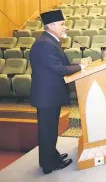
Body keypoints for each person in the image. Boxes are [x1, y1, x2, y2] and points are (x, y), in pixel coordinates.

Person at [30, 10, 89, 174]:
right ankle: (48, 165)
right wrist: (80, 67)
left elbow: (57, 65)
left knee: (50, 130)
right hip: (46, 97)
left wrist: (78, 65)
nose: (65, 27)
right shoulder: (44, 43)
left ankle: (52, 156)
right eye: (62, 24)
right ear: (50, 25)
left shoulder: (50, 41)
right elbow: (58, 69)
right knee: (47, 131)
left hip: (50, 95)